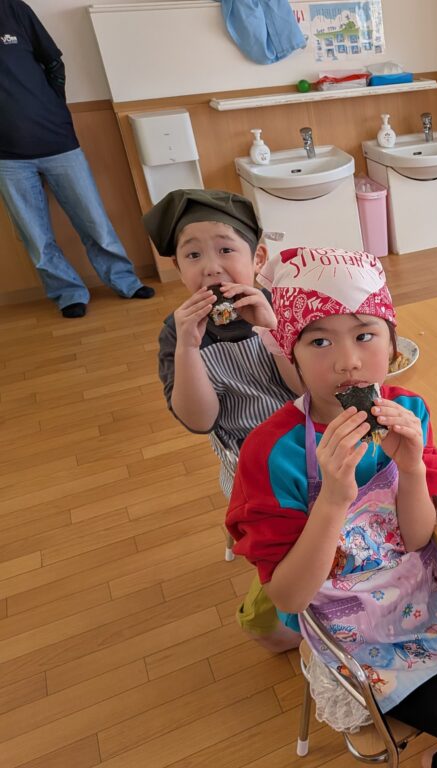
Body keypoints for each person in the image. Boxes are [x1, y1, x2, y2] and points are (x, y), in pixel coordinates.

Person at [226, 247, 437, 768]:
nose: (347, 361)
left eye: (365, 335)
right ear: (290, 353)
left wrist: (413, 468)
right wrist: (334, 498)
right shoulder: (270, 451)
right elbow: (288, 595)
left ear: (393, 345)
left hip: (423, 588)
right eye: (319, 340)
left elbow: (416, 538)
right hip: (352, 628)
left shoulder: (408, 410)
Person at [145, 189, 301, 653]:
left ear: (258, 259)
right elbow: (200, 419)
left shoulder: (281, 306)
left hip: (307, 435)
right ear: (179, 269)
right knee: (284, 540)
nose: (211, 267)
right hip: (250, 459)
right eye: (193, 255)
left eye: (226, 249)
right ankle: (268, 621)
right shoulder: (177, 332)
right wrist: (189, 347)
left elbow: (306, 390)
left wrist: (273, 330)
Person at [0, 0, 153, 318]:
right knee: (35, 236)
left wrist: (54, 106)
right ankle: (67, 293)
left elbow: (53, 61)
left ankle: (124, 281)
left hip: (58, 142)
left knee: (94, 221)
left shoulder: (13, 9)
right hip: (7, 159)